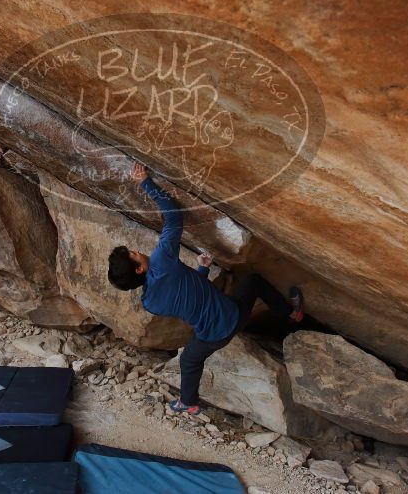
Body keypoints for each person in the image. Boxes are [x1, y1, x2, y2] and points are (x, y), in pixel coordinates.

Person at [108, 163, 304, 415]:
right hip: (232, 316)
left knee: (190, 360)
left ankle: (188, 402)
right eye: (133, 255)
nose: (136, 251)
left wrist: (201, 270)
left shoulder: (149, 302)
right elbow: (173, 216)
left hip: (212, 338)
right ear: (139, 269)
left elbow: (189, 297)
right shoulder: (161, 261)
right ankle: (291, 314)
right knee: (254, 282)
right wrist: (145, 182)